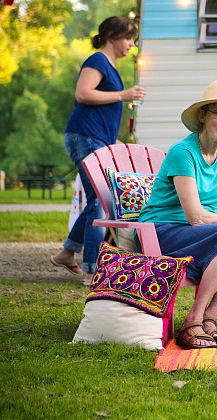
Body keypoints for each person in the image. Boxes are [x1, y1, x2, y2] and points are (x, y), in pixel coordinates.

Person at [138, 80, 217, 349]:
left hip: (198, 235)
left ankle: (209, 319)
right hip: (161, 231)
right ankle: (193, 318)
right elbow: (196, 217)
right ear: (203, 116)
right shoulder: (184, 152)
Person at [50, 16, 146, 284]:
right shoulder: (97, 60)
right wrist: (123, 95)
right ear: (112, 35)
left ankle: (68, 252)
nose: (131, 45)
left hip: (97, 139)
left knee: (99, 199)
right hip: (85, 136)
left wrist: (114, 143)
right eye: (128, 38)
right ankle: (93, 270)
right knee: (101, 200)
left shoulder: (111, 66)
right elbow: (83, 94)